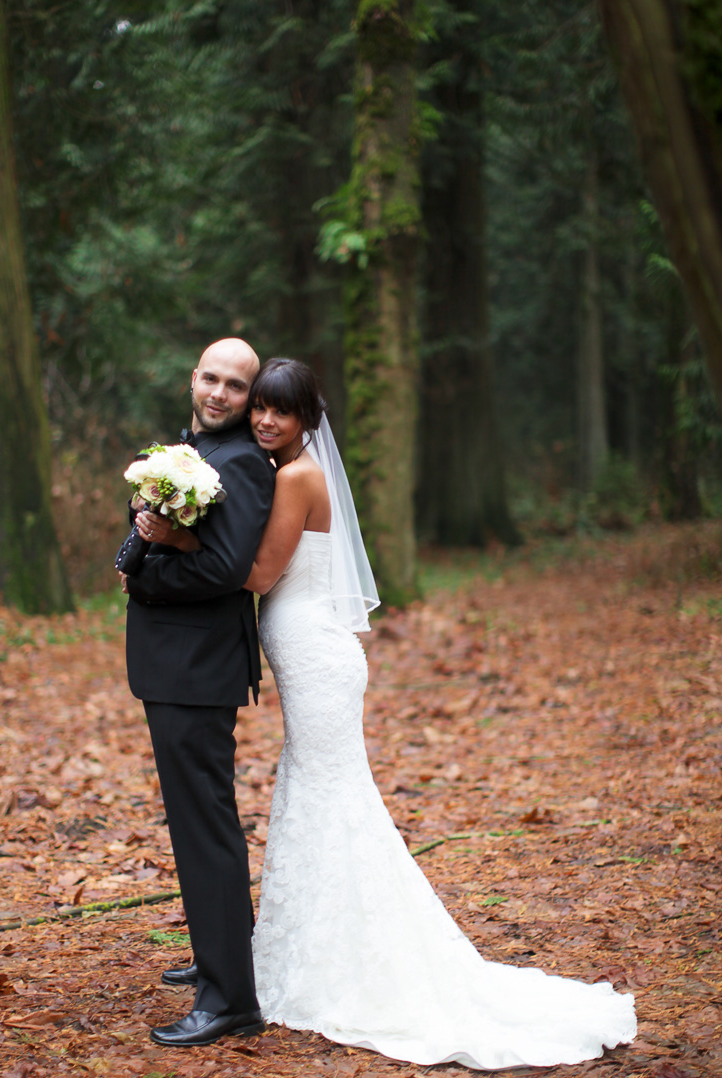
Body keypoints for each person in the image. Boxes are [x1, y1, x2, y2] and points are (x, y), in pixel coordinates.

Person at [148, 357, 637, 1069]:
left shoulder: (296, 477)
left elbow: (255, 574)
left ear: (308, 418)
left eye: (282, 410)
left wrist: (183, 537)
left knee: (330, 797)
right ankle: (303, 947)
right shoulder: (287, 469)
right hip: (311, 657)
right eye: (261, 408)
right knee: (315, 796)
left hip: (318, 661)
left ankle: (355, 957)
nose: (266, 420)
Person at [119, 337, 274, 1048]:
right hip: (177, 664)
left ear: (250, 397)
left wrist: (144, 578)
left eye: (235, 386)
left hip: (198, 665)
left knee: (204, 827)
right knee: (197, 822)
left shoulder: (240, 463)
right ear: (193, 378)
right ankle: (222, 952)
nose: (219, 393)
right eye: (211, 378)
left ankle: (230, 999)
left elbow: (225, 568)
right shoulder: (189, 452)